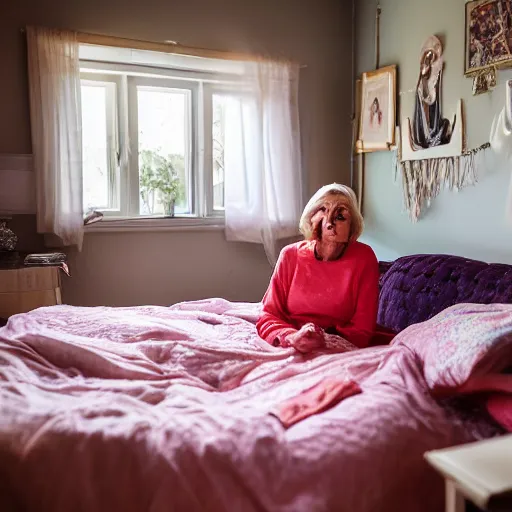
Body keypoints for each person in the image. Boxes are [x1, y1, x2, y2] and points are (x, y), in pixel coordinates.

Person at [256, 183, 380, 354]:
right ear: (310, 218)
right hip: (291, 341)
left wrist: (323, 341)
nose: (329, 222)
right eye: (322, 210)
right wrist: (292, 337)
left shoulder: (364, 258)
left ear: (352, 226)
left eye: (340, 215)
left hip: (338, 347)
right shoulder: (290, 255)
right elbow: (268, 314)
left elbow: (362, 329)